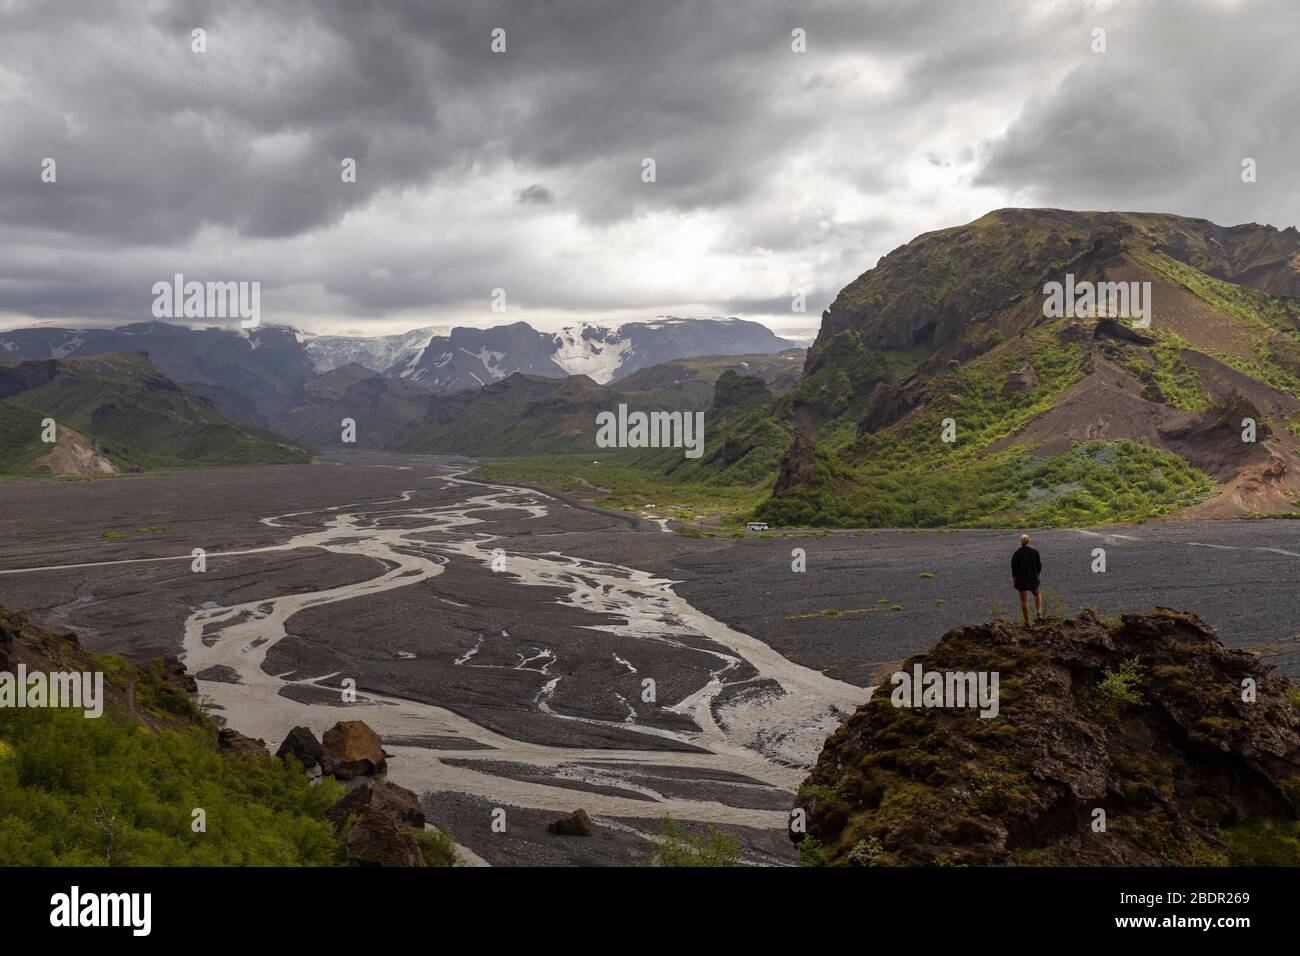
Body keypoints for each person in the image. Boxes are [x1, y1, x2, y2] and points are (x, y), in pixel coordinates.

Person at [1011, 533, 1043, 626]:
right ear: (1029, 541)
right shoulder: (1035, 552)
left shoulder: (1017, 553)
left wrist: (1015, 581)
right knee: (1037, 594)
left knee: (1024, 601)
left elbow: (1014, 568)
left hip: (1022, 580)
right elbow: (1039, 566)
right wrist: (1037, 576)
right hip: (1033, 578)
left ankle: (1027, 622)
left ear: (1020, 541)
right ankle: (1039, 612)